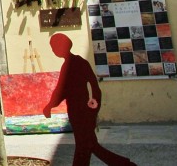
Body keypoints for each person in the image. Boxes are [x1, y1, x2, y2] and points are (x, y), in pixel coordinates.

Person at [43, 33, 137, 166]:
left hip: (80, 112)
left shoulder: (73, 64)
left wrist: (50, 106)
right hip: (81, 111)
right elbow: (66, 90)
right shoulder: (78, 63)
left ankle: (124, 164)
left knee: (87, 145)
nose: (53, 50)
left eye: (54, 47)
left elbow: (62, 90)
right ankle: (124, 164)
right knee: (87, 145)